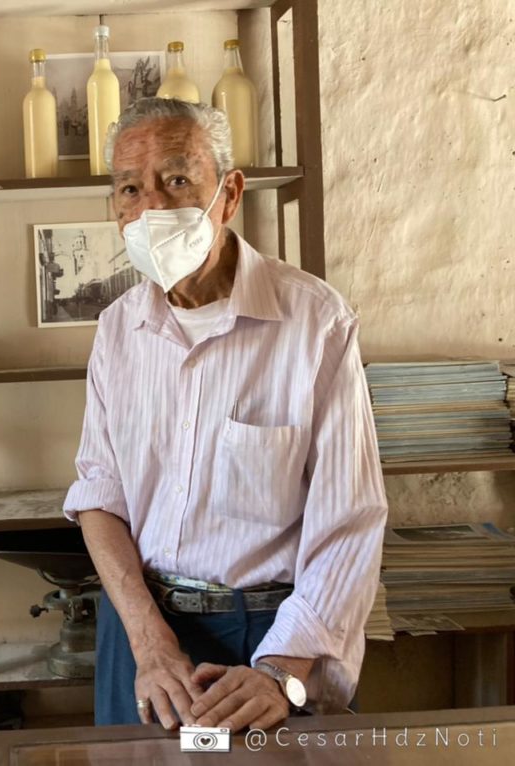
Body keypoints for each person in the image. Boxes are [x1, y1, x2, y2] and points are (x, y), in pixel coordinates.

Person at [63, 97, 388, 732]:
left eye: (177, 180)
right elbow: (101, 496)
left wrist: (281, 670)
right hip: (144, 630)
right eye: (130, 189)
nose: (153, 207)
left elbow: (348, 522)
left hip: (272, 633)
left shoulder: (315, 322)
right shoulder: (119, 330)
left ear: (230, 193)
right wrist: (149, 643)